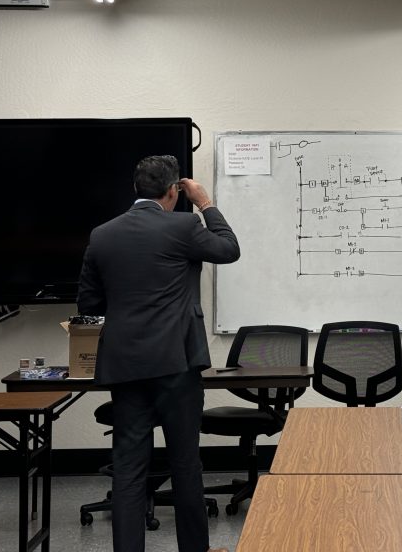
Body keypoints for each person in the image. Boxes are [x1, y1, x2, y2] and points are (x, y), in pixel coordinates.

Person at [78, 155, 240, 552]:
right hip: (176, 365)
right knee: (185, 465)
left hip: (125, 366)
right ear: (172, 192)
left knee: (130, 469)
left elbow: (88, 304)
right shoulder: (184, 224)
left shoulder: (102, 234)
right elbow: (229, 249)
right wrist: (205, 203)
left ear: (136, 190)